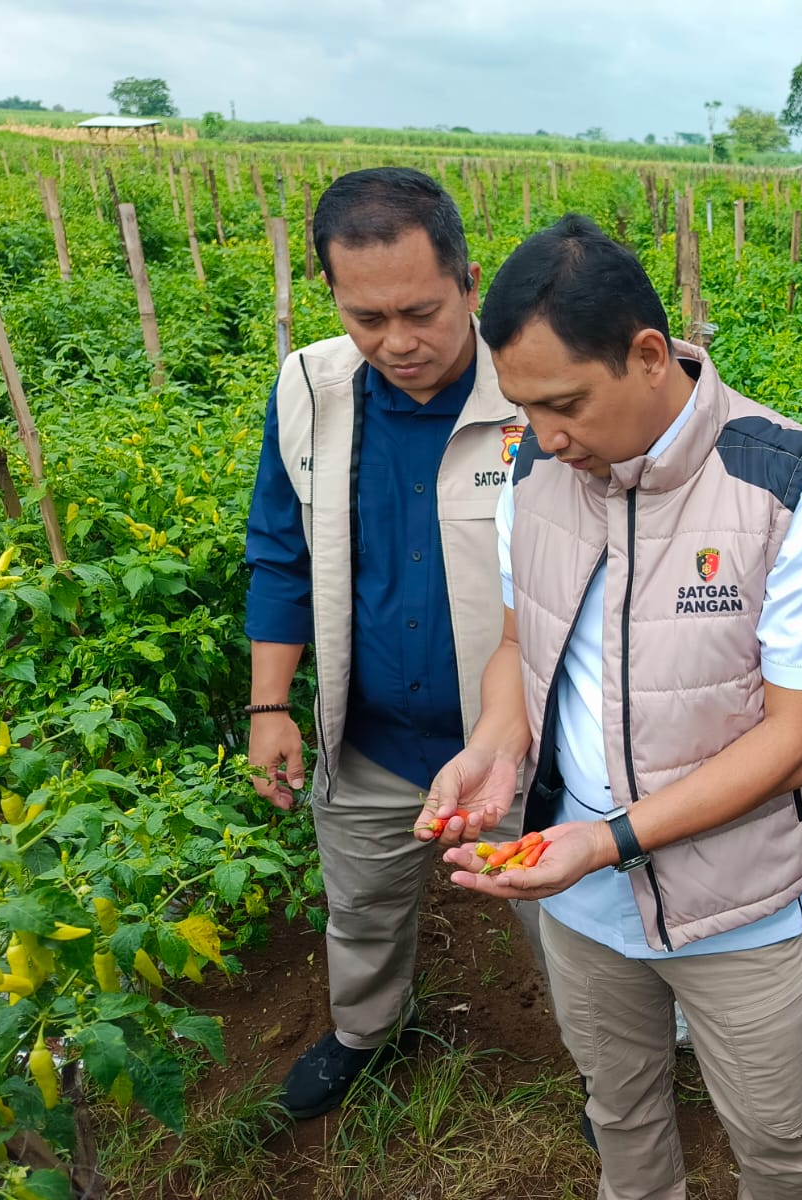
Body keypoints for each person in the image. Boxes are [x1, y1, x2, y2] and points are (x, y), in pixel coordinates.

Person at [422, 214, 802, 1200]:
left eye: (566, 403)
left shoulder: (782, 486)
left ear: (650, 357)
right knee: (619, 1111)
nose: (546, 436)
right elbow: (519, 647)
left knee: (775, 1146)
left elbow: (801, 739)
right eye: (524, 407)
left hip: (733, 900)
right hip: (577, 890)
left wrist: (609, 839)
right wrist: (493, 749)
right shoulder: (536, 472)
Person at [243, 167, 527, 1118]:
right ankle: (366, 1030)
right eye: (366, 317)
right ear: (331, 296)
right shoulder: (310, 388)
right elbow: (280, 551)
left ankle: (604, 1057)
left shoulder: (535, 387)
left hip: (518, 741)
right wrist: (271, 705)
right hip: (369, 736)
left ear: (470, 283)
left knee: (562, 910)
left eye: (421, 312)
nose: (397, 342)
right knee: (360, 904)